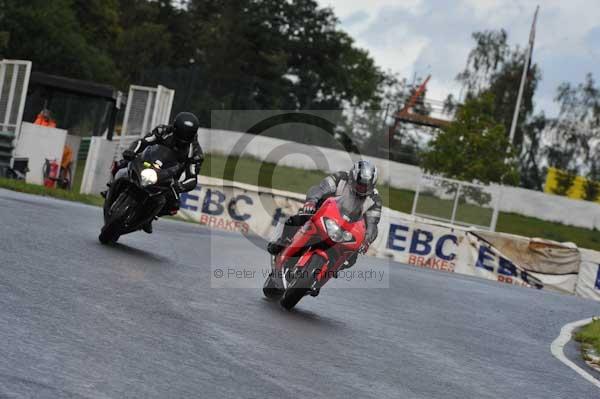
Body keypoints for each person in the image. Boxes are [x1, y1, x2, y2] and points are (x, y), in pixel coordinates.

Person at [267, 160, 382, 269]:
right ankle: (281, 242)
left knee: (351, 259)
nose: (361, 188)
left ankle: (322, 276)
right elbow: (319, 189)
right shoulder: (340, 178)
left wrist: (366, 241)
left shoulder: (374, 199)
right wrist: (311, 202)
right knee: (298, 219)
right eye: (360, 184)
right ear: (352, 177)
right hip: (321, 213)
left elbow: (372, 224)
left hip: (345, 231)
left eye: (365, 186)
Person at [107, 112, 204, 234]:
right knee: (123, 163)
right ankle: (112, 186)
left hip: (167, 177)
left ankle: (149, 218)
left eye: (186, 136)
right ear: (174, 128)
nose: (181, 140)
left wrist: (179, 186)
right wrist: (132, 151)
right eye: (179, 134)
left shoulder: (195, 152)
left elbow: (192, 178)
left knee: (174, 204)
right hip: (148, 162)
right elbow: (143, 142)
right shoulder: (162, 131)